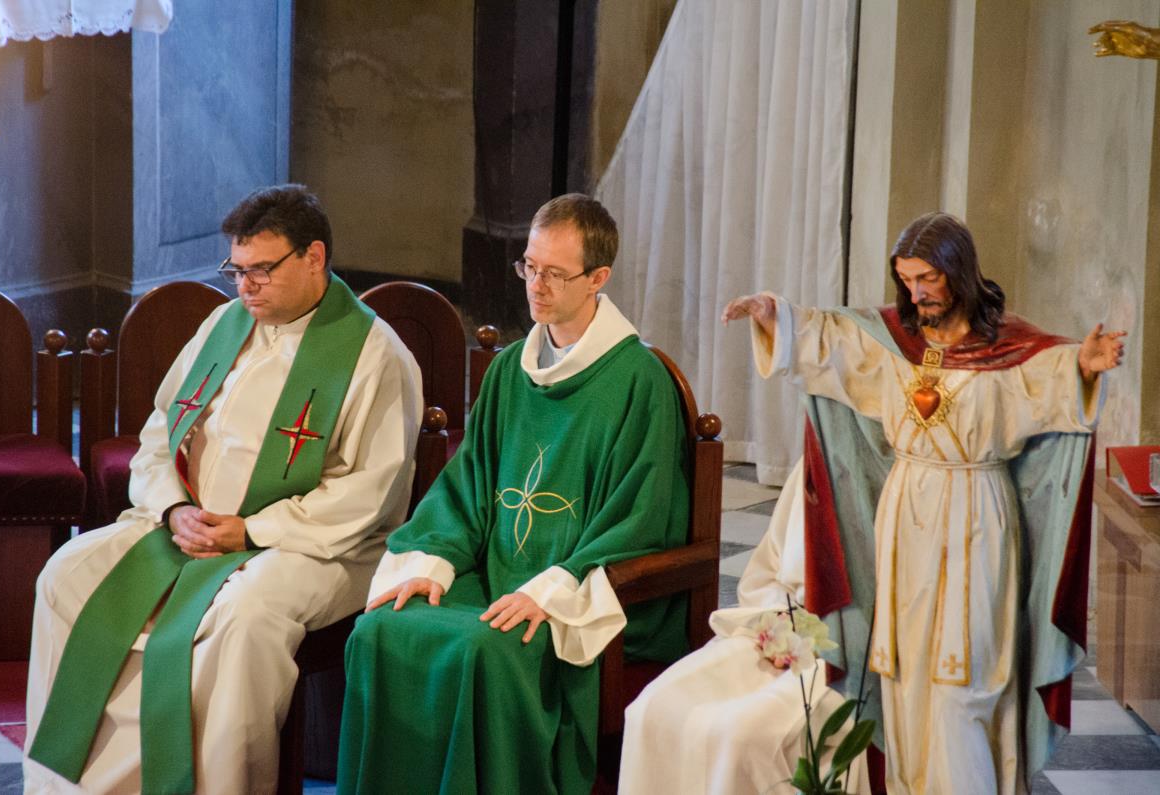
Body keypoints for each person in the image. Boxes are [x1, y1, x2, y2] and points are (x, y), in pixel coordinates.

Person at [23, 184, 423, 795]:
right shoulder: (223, 325)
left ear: (314, 257)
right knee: (67, 575)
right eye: (236, 271)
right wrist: (173, 508)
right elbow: (161, 432)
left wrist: (251, 530)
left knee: (242, 616)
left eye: (261, 270)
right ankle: (65, 787)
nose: (245, 288)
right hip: (191, 528)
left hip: (314, 547)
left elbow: (370, 493)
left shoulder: (375, 355)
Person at [720, 211, 1125, 794]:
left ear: (958, 272)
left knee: (970, 676)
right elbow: (829, 340)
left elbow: (1052, 378)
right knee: (906, 672)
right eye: (907, 280)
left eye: (928, 279)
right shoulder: (895, 345)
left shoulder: (1007, 349)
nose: (916, 294)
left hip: (976, 515)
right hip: (905, 515)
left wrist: (1083, 366)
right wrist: (773, 314)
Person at [335, 193, 690, 794]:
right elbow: (469, 484)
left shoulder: (639, 381)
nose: (536, 286)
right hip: (494, 572)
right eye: (530, 266)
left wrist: (551, 592)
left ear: (598, 278)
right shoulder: (509, 371)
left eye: (555, 273)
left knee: (484, 648)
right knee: (379, 630)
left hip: (577, 594)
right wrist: (434, 561)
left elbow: (641, 515)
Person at [619, 459, 871, 794]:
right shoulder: (815, 458)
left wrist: (819, 637)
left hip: (848, 655)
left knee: (739, 735)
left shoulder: (902, 474)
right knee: (650, 709)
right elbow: (764, 573)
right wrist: (782, 625)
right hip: (777, 629)